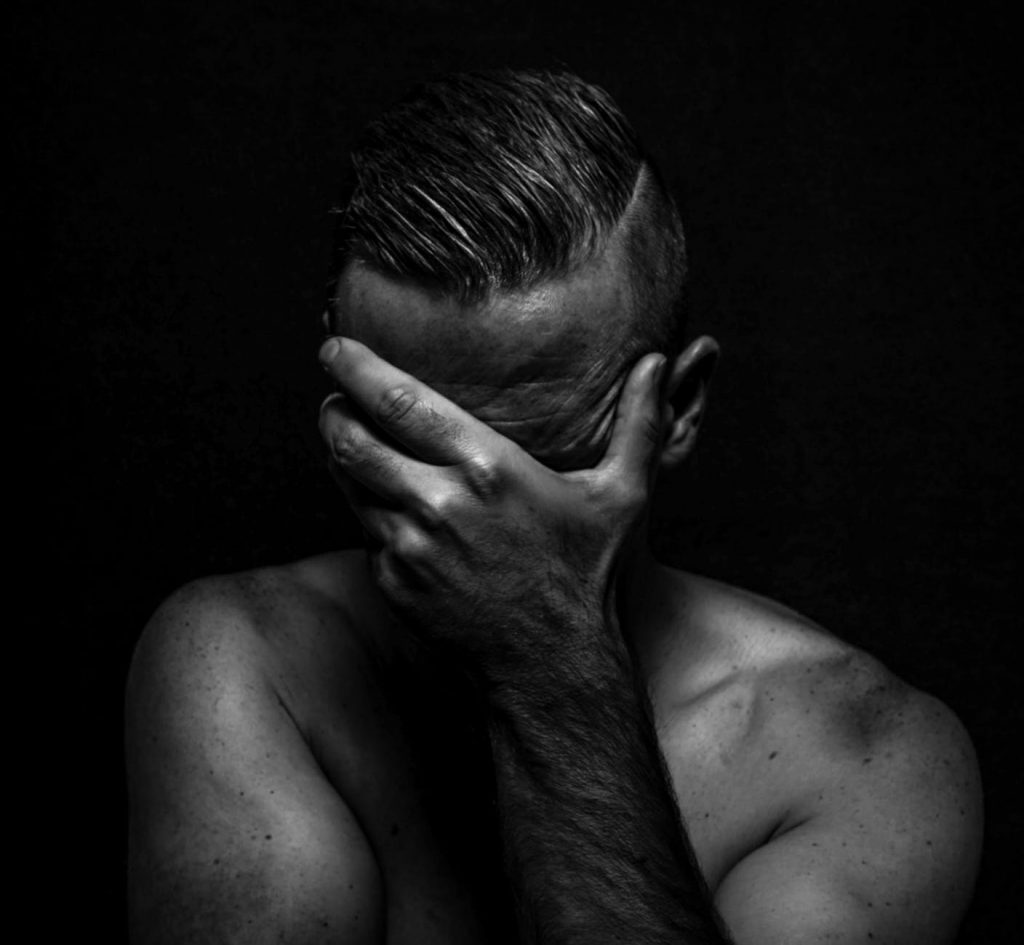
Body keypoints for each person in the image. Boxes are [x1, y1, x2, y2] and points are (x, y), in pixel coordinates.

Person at [125, 69, 982, 944]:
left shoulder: (866, 755)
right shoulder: (250, 659)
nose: (468, 502)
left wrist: (549, 656)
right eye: (413, 442)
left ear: (677, 409)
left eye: (533, 454)